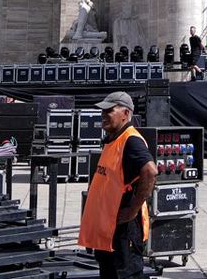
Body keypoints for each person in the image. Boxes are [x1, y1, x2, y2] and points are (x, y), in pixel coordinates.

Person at [79, 91, 158, 279]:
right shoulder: (113, 139)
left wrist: (132, 210)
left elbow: (150, 171)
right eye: (102, 112)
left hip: (124, 231)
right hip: (109, 232)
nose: (103, 116)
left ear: (126, 113)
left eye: (109, 111)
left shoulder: (131, 140)